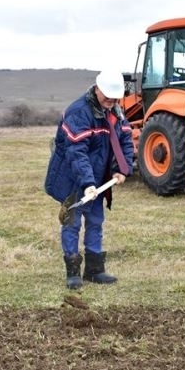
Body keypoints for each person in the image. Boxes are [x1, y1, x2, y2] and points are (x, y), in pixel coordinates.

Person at [44, 70, 134, 290]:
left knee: (95, 221)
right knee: (72, 222)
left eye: (115, 99)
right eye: (107, 98)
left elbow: (125, 141)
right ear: (97, 89)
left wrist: (122, 168)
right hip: (72, 177)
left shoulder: (116, 112)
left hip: (98, 178)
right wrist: (88, 183)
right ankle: (73, 271)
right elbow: (77, 153)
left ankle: (95, 270)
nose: (111, 102)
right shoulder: (79, 113)